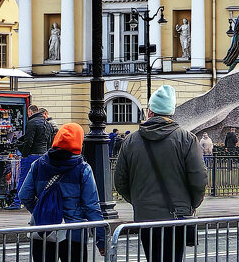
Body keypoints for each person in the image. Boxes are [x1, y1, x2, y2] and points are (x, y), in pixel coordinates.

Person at [114, 86, 207, 262]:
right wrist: (190, 204)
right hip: (177, 215)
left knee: (153, 257)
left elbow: (120, 181)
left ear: (150, 111)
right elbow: (198, 179)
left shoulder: (131, 141)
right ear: (171, 113)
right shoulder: (186, 139)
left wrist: (139, 201)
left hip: (145, 216)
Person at [18, 123, 106, 261]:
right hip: (73, 232)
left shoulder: (38, 165)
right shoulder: (83, 169)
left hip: (43, 230)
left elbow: (24, 195)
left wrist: (41, 211)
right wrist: (101, 240)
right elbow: (92, 207)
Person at [11, 105, 53, 210]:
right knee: (41, 180)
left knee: (23, 178)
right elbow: (49, 141)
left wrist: (24, 154)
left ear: (30, 112)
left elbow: (29, 141)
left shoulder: (31, 123)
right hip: (43, 155)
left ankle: (17, 202)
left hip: (31, 155)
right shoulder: (47, 124)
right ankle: (42, 202)